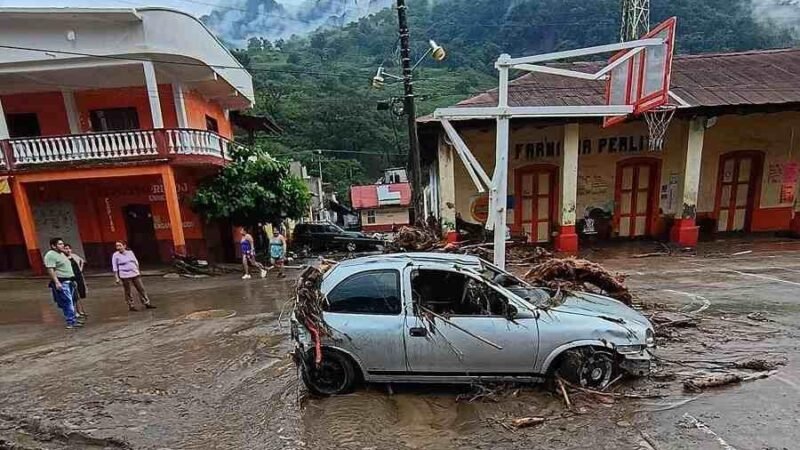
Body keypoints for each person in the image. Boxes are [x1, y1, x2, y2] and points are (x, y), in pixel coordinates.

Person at [44, 237, 81, 329]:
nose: (62, 245)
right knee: (67, 302)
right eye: (60, 244)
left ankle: (72, 320)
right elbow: (50, 269)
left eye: (62, 243)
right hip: (62, 281)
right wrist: (56, 282)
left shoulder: (62, 254)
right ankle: (71, 321)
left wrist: (73, 279)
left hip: (70, 280)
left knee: (71, 301)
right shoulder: (50, 255)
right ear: (53, 246)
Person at [111, 241, 156, 311]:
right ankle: (131, 305)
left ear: (124, 246)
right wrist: (117, 278)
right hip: (124, 275)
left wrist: (138, 270)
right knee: (128, 291)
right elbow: (115, 267)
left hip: (135, 273)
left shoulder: (130, 253)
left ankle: (147, 303)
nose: (118, 247)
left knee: (141, 289)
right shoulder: (115, 255)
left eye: (120, 245)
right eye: (117, 246)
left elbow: (135, 261)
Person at [63, 244, 88, 319]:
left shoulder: (74, 256)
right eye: (65, 249)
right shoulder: (63, 258)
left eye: (69, 248)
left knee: (77, 295)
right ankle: (74, 312)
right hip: (70, 277)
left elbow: (82, 261)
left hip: (78, 276)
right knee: (72, 295)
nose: (67, 250)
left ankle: (80, 311)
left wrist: (80, 269)